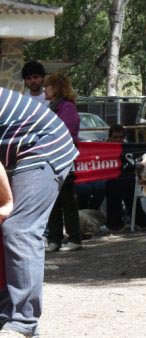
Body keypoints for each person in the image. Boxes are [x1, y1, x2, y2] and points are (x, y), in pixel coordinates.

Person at [0, 87, 79, 336]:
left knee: (19, 229)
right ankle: (5, 311)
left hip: (44, 145)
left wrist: (5, 203)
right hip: (20, 151)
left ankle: (24, 324)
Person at [44, 72, 83, 252]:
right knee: (53, 201)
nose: (45, 89)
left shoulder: (67, 108)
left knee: (67, 200)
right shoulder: (53, 106)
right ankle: (55, 239)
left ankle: (75, 238)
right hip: (51, 160)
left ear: (56, 87)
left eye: (48, 85)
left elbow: (65, 133)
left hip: (63, 160)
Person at [105, 124, 146, 231]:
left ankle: (118, 223)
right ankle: (118, 223)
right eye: (115, 137)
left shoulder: (129, 149)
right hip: (113, 180)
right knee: (113, 184)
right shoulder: (104, 149)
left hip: (130, 180)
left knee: (123, 184)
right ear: (109, 138)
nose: (118, 140)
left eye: (120, 137)